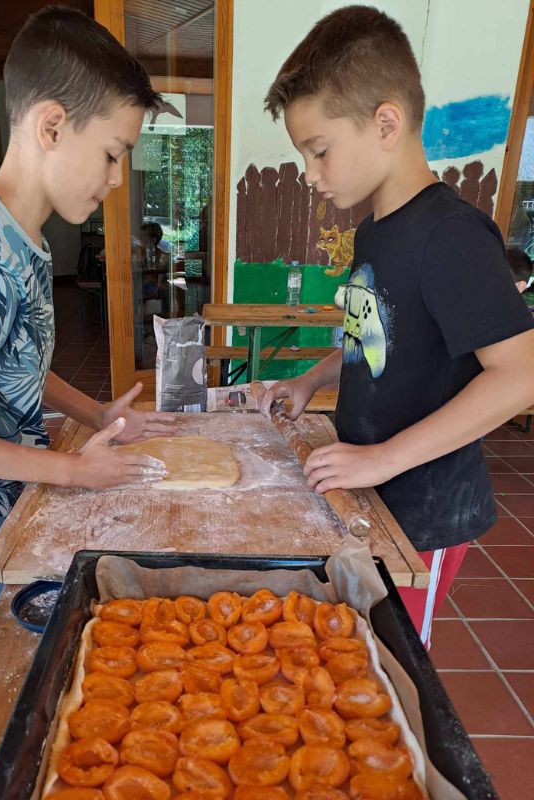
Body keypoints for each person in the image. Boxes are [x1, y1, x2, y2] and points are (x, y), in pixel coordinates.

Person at [0, 7, 174, 675]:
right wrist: (76, 471)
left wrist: (96, 416)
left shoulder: (28, 241)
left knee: (29, 661)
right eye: (111, 154)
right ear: (51, 126)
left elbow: (14, 363)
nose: (115, 179)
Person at [260, 5, 534, 647]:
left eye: (319, 150)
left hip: (425, 510)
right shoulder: (373, 232)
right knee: (357, 646)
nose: (310, 173)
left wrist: (382, 459)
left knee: (396, 662)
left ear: (387, 122)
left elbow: (520, 375)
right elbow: (370, 336)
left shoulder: (452, 237)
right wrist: (310, 379)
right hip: (373, 492)